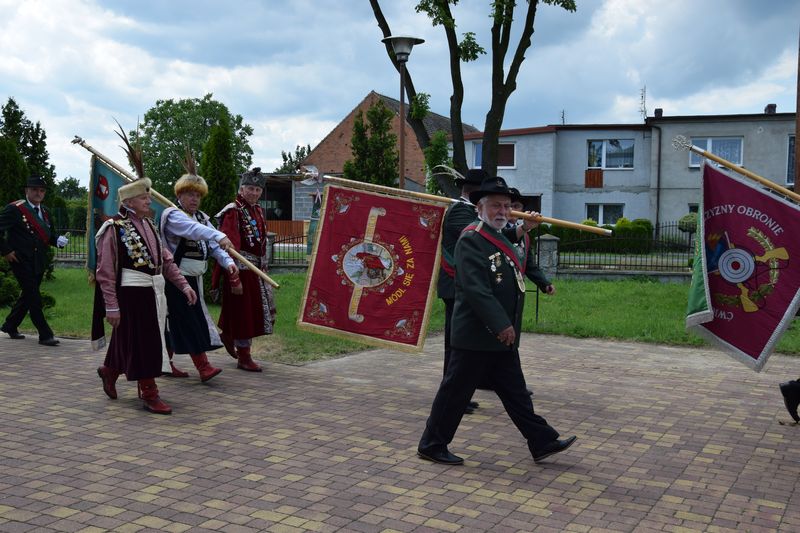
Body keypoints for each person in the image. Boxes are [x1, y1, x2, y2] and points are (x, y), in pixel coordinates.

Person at [418, 176, 576, 466]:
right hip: (477, 336)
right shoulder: (470, 238)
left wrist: (526, 227)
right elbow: (477, 290)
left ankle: (542, 441)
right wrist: (502, 324)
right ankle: (431, 444)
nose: (502, 211)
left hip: (499, 336)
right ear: (480, 207)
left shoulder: (495, 235)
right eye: (495, 206)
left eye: (506, 206)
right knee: (454, 393)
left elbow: (508, 241)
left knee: (516, 393)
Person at [93, 177, 197, 414]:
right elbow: (106, 271)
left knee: (129, 339)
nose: (149, 200)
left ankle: (110, 371)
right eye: (144, 197)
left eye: (148, 196)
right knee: (145, 343)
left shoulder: (150, 225)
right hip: (132, 293)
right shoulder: (114, 228)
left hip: (154, 291)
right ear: (129, 202)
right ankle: (149, 392)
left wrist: (184, 286)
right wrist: (111, 306)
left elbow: (166, 261)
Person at [160, 156, 237, 382]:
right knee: (190, 321)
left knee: (173, 322)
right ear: (179, 195)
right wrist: (219, 234)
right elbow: (193, 231)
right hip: (176, 279)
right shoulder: (173, 215)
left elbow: (213, 245)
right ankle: (203, 367)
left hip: (195, 279)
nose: (194, 199)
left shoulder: (202, 218)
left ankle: (166, 363)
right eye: (189, 194)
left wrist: (228, 261)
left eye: (197, 195)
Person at [215, 167, 276, 372]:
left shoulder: (257, 210)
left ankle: (230, 336)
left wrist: (263, 267)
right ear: (241, 189)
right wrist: (234, 278)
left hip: (256, 269)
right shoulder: (233, 211)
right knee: (243, 313)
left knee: (251, 312)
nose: (254, 193)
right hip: (240, 268)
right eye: (250, 188)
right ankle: (244, 356)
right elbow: (227, 247)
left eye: (257, 190)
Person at [0, 176, 68, 346]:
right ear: (27, 191)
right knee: (34, 296)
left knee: (28, 295)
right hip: (20, 259)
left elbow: (46, 236)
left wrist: (56, 241)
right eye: (34, 190)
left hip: (38, 260)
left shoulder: (44, 211)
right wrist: (6, 251)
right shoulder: (15, 209)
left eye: (41, 190)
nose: (38, 193)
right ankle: (45, 334)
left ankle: (10, 324)